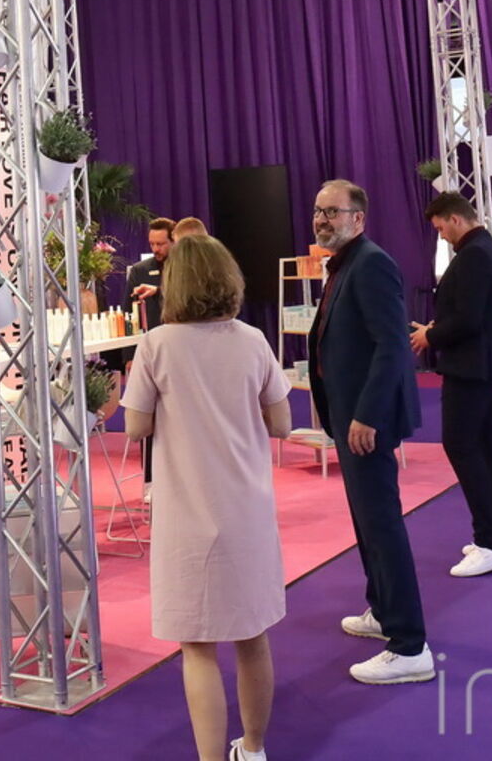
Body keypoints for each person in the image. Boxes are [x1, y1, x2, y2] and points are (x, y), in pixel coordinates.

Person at [121, 234, 292, 761]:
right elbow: (282, 424)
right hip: (247, 510)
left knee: (196, 646)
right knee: (252, 636)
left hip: (187, 517)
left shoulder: (156, 345)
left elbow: (136, 427)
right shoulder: (253, 340)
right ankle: (254, 748)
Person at [307, 178, 431, 685]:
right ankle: (382, 610)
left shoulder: (371, 263)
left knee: (381, 526)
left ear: (358, 219)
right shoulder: (346, 264)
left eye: (332, 212)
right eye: (318, 211)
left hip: (366, 422)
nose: (322, 220)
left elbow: (391, 345)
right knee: (367, 523)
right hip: (350, 416)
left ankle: (409, 645)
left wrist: (368, 414)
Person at [409, 193, 492, 577]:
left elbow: (469, 319)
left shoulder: (473, 256)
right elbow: (476, 313)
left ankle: (489, 541)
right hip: (485, 365)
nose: (441, 235)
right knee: (491, 445)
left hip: (471, 367)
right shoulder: (489, 250)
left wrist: (431, 335)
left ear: (455, 219)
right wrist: (437, 329)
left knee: (461, 445)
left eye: (441, 228)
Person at [124, 217, 175, 339]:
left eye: (160, 244)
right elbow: (128, 311)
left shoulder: (187, 268)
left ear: (174, 241)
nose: (155, 249)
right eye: (152, 244)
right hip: (150, 340)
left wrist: (157, 291)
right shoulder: (139, 270)